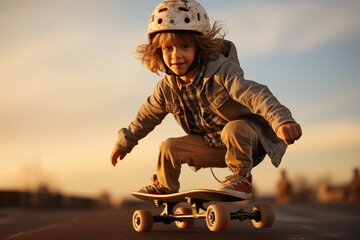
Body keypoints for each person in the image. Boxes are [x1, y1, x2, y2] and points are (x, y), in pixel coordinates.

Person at [110, 0, 302, 199]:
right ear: (158, 52)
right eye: (168, 48)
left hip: (246, 144)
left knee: (234, 128)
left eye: (185, 46)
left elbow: (254, 94)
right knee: (168, 147)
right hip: (211, 146)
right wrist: (125, 142)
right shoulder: (167, 88)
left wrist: (281, 120)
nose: (176, 55)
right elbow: (146, 116)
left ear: (200, 47)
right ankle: (165, 188)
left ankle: (241, 178)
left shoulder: (222, 73)